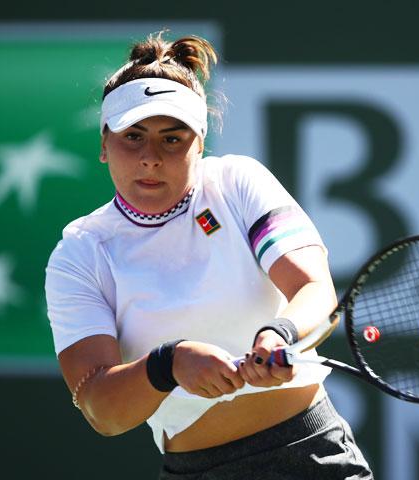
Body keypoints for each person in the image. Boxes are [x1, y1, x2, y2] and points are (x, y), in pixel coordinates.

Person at [45, 31, 373, 479]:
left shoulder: (238, 183)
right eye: (133, 136)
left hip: (313, 455)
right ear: (104, 144)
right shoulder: (80, 252)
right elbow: (103, 410)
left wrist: (280, 333)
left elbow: (314, 288)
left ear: (200, 144)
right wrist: (169, 364)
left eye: (173, 139)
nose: (150, 158)